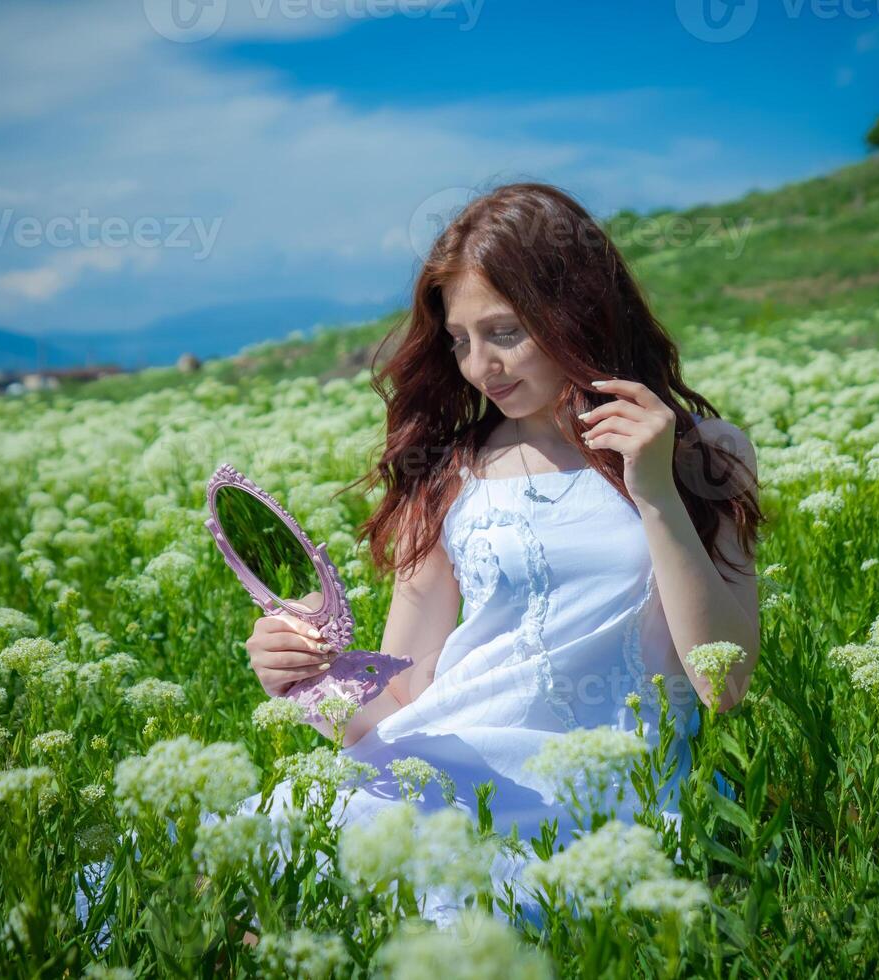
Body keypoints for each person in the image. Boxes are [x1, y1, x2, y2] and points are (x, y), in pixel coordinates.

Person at [242, 182, 766, 929]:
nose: (479, 366)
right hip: (446, 775)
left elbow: (725, 682)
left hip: (605, 803)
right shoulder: (449, 470)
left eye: (505, 332)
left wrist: (654, 494)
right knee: (238, 879)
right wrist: (306, 682)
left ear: (576, 308)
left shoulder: (706, 455)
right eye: (459, 340)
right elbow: (402, 698)